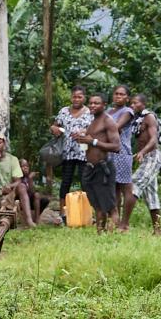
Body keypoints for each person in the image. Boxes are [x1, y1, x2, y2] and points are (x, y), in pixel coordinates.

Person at [70, 94, 121, 234]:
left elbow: (116, 146)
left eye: (96, 103)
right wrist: (80, 138)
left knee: (111, 207)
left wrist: (92, 141)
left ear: (104, 104)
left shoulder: (108, 121)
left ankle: (113, 237)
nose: (92, 105)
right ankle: (100, 235)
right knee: (97, 206)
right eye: (91, 103)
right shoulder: (93, 122)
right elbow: (89, 140)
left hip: (103, 168)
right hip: (90, 168)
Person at [50, 86, 93, 223]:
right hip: (67, 152)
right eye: (74, 96)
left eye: (79, 97)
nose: (76, 99)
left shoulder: (89, 112)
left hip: (84, 151)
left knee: (85, 182)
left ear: (84, 98)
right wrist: (55, 129)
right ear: (71, 97)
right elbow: (54, 126)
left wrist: (84, 133)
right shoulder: (64, 111)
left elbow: (96, 130)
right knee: (65, 182)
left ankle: (87, 213)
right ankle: (63, 213)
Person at [129, 93, 161, 235]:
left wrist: (142, 152)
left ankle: (122, 223)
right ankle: (158, 230)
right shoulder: (137, 119)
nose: (132, 105)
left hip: (152, 156)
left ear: (143, 104)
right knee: (151, 194)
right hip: (145, 157)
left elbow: (153, 139)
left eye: (135, 103)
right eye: (131, 103)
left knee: (134, 184)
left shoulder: (149, 117)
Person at [107, 85, 135, 232]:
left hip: (122, 152)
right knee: (114, 189)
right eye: (116, 93)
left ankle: (125, 223)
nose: (118, 96)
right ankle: (115, 221)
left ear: (127, 98)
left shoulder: (128, 111)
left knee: (126, 188)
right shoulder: (108, 112)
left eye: (121, 94)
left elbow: (115, 127)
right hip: (109, 153)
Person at [19, 158, 50, 223]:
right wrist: (30, 178)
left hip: (30, 200)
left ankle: (37, 218)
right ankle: (33, 218)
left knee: (44, 199)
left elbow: (32, 192)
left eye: (27, 166)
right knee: (36, 195)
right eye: (23, 166)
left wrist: (30, 179)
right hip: (21, 201)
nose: (25, 168)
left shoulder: (28, 177)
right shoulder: (17, 177)